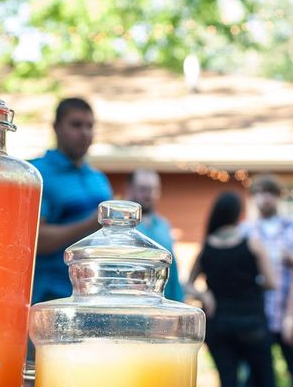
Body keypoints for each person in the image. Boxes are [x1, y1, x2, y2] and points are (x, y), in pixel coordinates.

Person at [188, 191, 283, 387]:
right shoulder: (251, 243)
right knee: (265, 377)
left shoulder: (208, 246)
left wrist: (205, 294)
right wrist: (251, 285)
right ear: (238, 214)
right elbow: (272, 282)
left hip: (219, 324)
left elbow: (187, 283)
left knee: (227, 380)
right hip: (252, 322)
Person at [30, 98, 113, 304]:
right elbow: (34, 240)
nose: (84, 133)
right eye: (76, 125)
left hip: (96, 297)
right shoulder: (36, 174)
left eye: (90, 126)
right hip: (50, 298)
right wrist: (90, 224)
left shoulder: (99, 179)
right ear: (56, 128)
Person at [242, 174, 293, 387]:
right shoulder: (246, 231)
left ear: (277, 196)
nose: (265, 198)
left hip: (292, 317)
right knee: (255, 375)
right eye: (260, 192)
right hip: (259, 318)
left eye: (270, 192)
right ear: (254, 197)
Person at [125, 168, 184, 301]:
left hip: (164, 304)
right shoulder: (123, 227)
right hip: (134, 304)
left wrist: (179, 301)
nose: (149, 195)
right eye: (143, 189)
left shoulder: (164, 225)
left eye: (153, 189)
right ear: (130, 189)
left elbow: (173, 269)